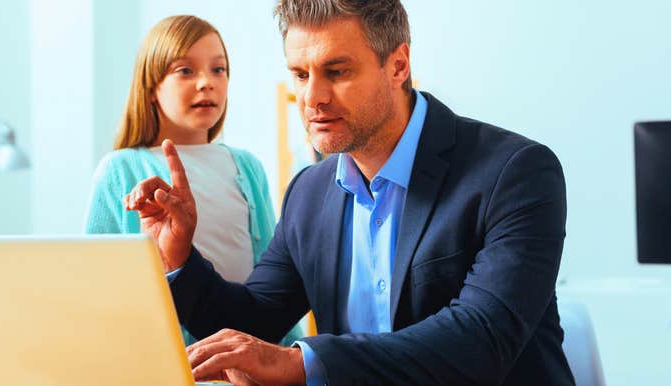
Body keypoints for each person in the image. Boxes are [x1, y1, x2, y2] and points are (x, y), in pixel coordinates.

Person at [126, 1, 574, 385]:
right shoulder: (308, 192)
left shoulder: (515, 172)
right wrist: (179, 258)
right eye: (300, 74)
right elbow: (253, 321)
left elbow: (483, 338)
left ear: (398, 65)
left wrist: (303, 363)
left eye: (336, 71)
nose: (312, 98)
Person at [83, 15, 302, 346]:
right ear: (151, 87)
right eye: (186, 70)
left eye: (219, 69)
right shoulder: (120, 170)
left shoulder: (248, 166)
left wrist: (287, 352)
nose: (206, 82)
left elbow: (271, 277)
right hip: (168, 359)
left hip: (250, 355)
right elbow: (97, 284)